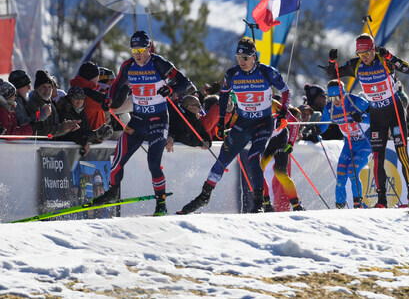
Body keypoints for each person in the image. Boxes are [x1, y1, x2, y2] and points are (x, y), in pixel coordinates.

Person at [177, 37, 290, 214]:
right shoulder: (232, 74)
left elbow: (286, 91)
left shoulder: (268, 72)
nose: (241, 61)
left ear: (254, 57)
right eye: (238, 57)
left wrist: (283, 112)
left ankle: (259, 202)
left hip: (263, 122)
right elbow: (223, 96)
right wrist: (221, 121)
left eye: (245, 58)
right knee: (223, 157)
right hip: (244, 122)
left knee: (254, 157)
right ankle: (205, 195)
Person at [90, 30, 192, 216]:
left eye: (141, 50)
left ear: (148, 49)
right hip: (138, 119)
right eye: (134, 50)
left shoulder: (159, 63)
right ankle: (112, 192)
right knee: (118, 159)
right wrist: (109, 100)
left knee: (153, 163)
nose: (137, 54)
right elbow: (116, 85)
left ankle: (161, 204)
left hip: (158, 120)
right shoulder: (128, 66)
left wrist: (171, 89)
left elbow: (185, 83)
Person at [337, 34, 409, 208]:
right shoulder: (356, 64)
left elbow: (407, 69)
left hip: (395, 112)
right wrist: (331, 62)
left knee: (402, 154)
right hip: (377, 116)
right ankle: (381, 200)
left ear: (373, 50)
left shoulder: (384, 59)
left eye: (367, 53)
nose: (364, 57)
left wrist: (391, 57)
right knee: (377, 157)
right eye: (361, 54)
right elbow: (334, 73)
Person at [324, 79, 371, 209]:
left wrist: (362, 118)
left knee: (352, 171)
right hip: (349, 144)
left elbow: (376, 115)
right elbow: (323, 124)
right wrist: (316, 130)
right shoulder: (329, 108)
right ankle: (339, 207)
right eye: (333, 98)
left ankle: (357, 204)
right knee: (340, 176)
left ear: (344, 94)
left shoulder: (355, 101)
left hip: (366, 143)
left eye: (339, 96)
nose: (336, 100)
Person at [259, 102, 303, 211]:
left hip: (280, 139)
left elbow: (295, 123)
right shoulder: (249, 105)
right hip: (266, 141)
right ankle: (266, 203)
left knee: (280, 173)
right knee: (258, 170)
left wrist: (291, 142)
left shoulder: (274, 104)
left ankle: (296, 204)